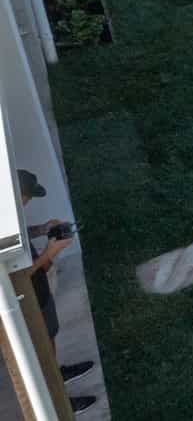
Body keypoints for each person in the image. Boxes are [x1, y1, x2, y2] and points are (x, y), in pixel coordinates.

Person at [15, 170, 96, 414]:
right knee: (39, 353)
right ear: (20, 194)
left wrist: (41, 229)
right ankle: (59, 402)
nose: (28, 202)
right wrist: (50, 254)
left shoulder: (9, 216)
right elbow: (14, 280)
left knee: (49, 338)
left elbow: (20, 238)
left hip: (38, 292)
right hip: (26, 302)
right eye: (28, 197)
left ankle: (56, 374)